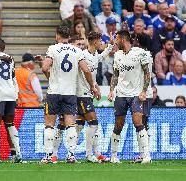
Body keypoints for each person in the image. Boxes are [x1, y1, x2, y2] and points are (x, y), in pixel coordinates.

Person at [41, 25, 97, 163]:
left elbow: (44, 67)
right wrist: (92, 86)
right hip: (70, 93)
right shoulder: (77, 51)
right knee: (71, 125)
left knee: (49, 125)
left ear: (57, 35)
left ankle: (48, 156)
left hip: (54, 92)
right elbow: (87, 70)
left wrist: (51, 77)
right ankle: (71, 155)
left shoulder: (53, 48)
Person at [108, 30, 151, 163]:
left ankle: (146, 155)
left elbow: (147, 73)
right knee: (118, 125)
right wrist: (111, 90)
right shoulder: (117, 55)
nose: (115, 42)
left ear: (122, 39)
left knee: (138, 122)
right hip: (120, 94)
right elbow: (115, 75)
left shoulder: (139, 53)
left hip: (135, 94)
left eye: (116, 39)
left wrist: (144, 91)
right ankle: (114, 156)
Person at [75, 32, 114, 163]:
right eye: (100, 41)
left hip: (89, 94)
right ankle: (89, 154)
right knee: (93, 123)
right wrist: (93, 87)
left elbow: (101, 57)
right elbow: (84, 74)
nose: (101, 43)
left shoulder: (95, 55)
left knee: (79, 125)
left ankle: (75, 153)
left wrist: (110, 45)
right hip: (81, 94)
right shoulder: (83, 55)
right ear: (95, 42)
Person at [132, 33, 154, 163]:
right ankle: (144, 153)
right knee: (142, 124)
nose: (133, 41)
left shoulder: (140, 54)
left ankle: (145, 154)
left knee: (142, 124)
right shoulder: (148, 54)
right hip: (146, 92)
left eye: (135, 39)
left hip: (143, 93)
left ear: (138, 42)